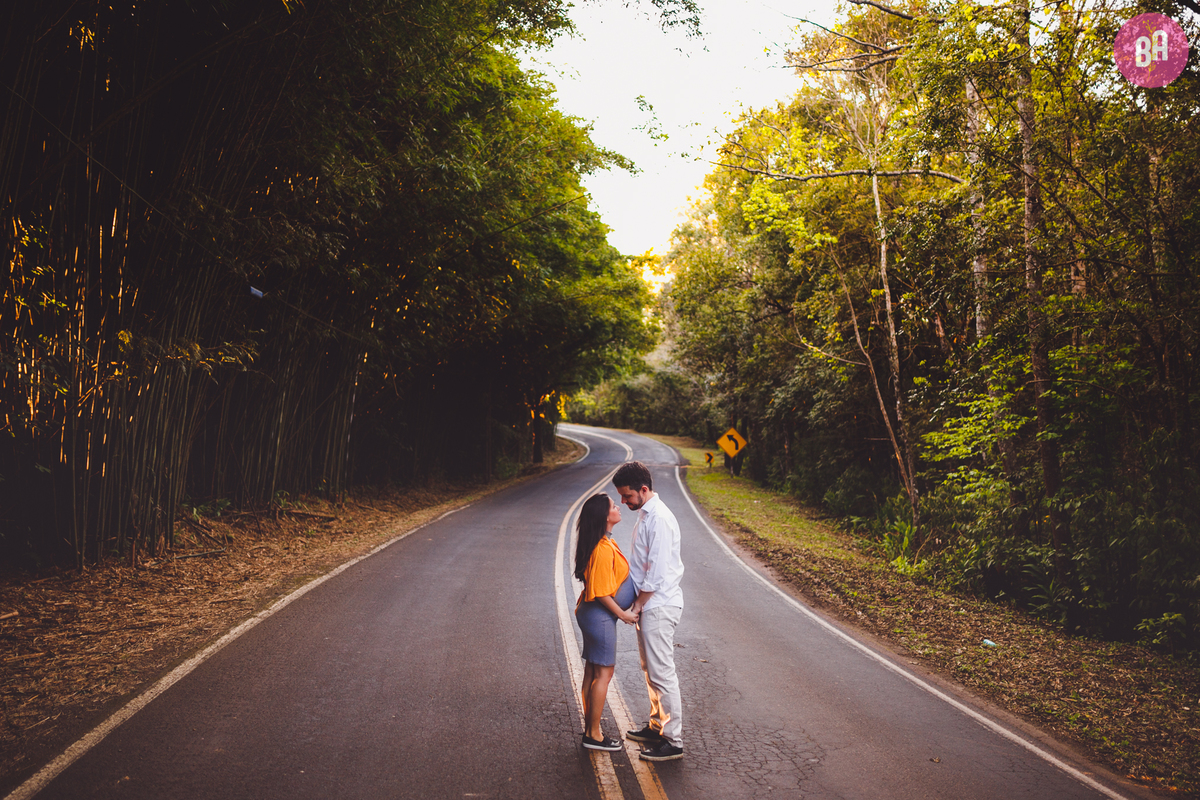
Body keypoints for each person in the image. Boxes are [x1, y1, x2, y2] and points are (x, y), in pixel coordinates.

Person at [613, 461, 685, 762]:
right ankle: (657, 726)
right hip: (650, 604)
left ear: (644, 489)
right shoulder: (646, 514)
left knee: (662, 672)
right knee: (650, 671)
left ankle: (673, 740)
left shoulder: (660, 520)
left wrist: (638, 604)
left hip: (658, 604)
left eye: (627, 496)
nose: (623, 502)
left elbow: (655, 573)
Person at [574, 492, 639, 752]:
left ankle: (590, 727)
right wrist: (623, 614)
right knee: (603, 674)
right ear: (605, 516)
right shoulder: (601, 549)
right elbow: (601, 592)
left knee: (592, 671)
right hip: (599, 617)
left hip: (593, 615)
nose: (619, 507)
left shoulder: (604, 541)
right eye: (614, 506)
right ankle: (594, 734)